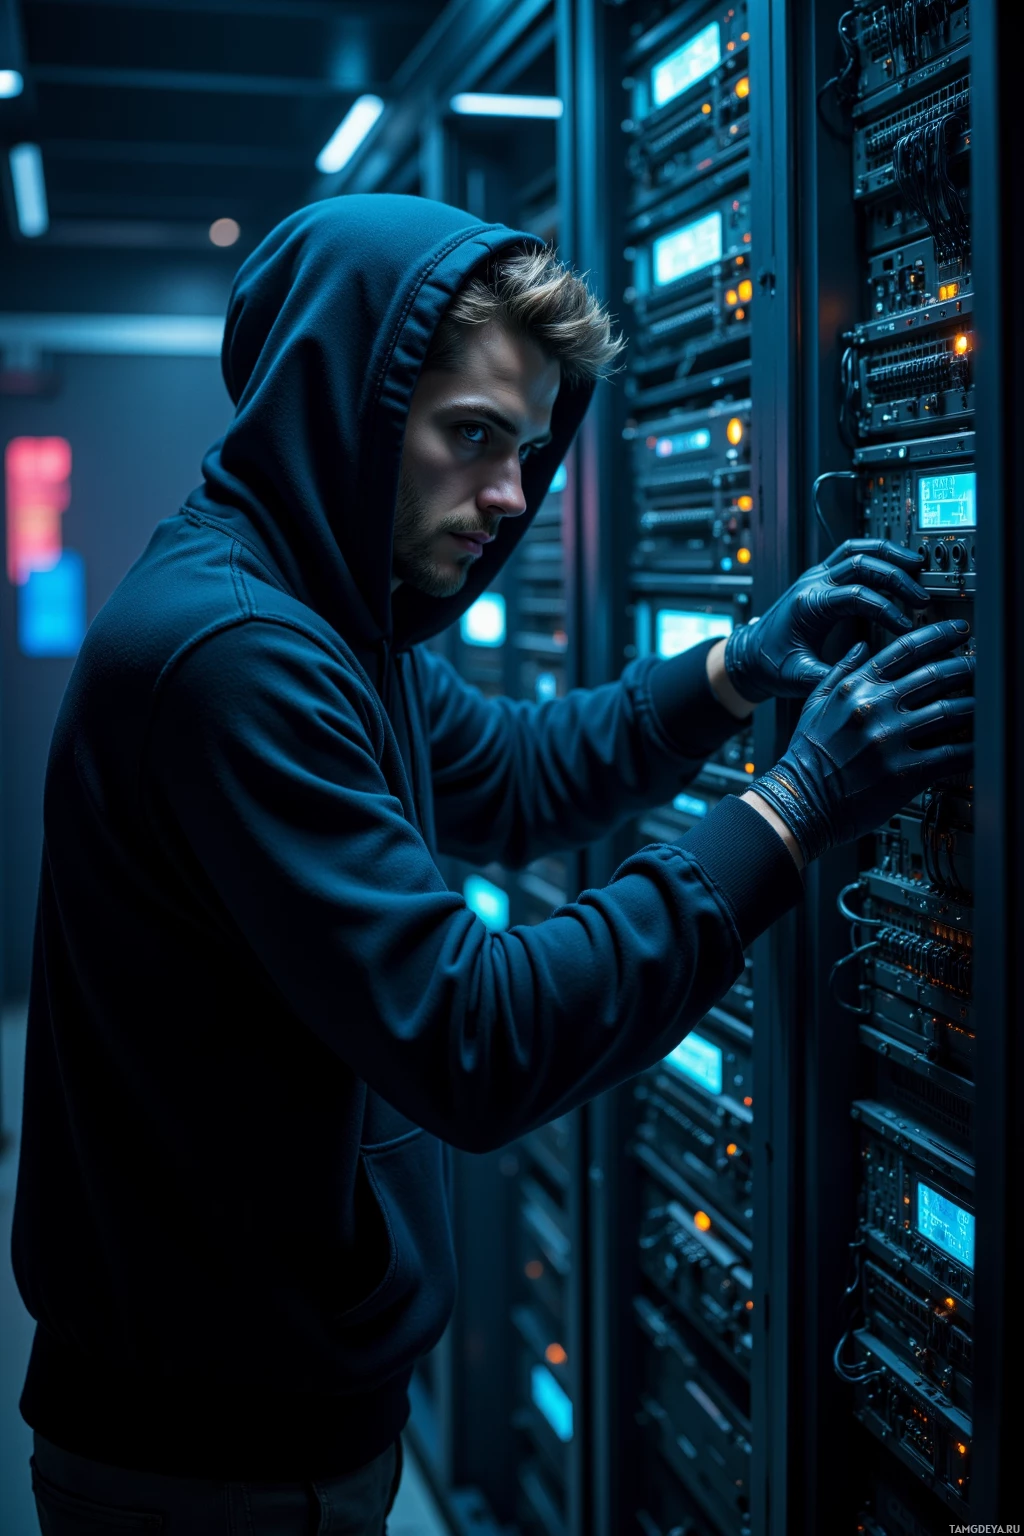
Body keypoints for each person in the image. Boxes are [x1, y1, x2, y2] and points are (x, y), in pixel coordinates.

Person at [13, 195, 973, 1536]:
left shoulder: (333, 621)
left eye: (528, 450)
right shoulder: (233, 657)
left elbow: (516, 772)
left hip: (267, 1413)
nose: (513, 496)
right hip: (210, 1460)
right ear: (341, 402)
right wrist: (795, 805)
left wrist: (743, 662)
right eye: (472, 439)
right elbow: (476, 1032)